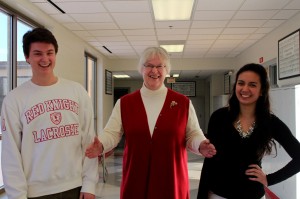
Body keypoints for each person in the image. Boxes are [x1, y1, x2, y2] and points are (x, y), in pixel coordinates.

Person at [85, 46, 216, 199]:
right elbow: (112, 133)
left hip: (171, 178)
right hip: (136, 177)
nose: (154, 71)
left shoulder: (182, 103)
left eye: (160, 66)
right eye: (149, 65)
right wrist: (100, 145)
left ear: (166, 70)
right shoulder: (125, 103)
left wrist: (201, 144)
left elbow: (193, 133)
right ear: (141, 69)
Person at [0, 27, 98, 199]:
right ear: (27, 57)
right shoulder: (14, 99)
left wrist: (89, 183)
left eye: (49, 53)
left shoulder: (77, 91)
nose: (45, 59)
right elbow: (11, 154)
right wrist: (17, 195)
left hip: (75, 186)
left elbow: (89, 140)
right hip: (36, 192)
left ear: (55, 55)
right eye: (38, 53)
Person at [197, 63, 300, 199]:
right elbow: (210, 161)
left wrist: (270, 179)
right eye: (241, 83)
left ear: (262, 90)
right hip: (219, 193)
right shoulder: (219, 117)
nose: (245, 89)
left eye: (252, 85)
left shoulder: (270, 122)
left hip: (252, 194)